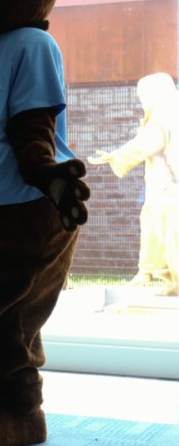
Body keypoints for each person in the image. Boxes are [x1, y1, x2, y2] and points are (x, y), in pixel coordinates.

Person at [89, 72, 179, 296]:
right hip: (161, 188)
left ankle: (151, 273)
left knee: (170, 233)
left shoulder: (165, 117)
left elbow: (145, 144)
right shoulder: (167, 114)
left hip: (169, 189)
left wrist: (115, 156)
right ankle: (150, 272)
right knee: (152, 227)